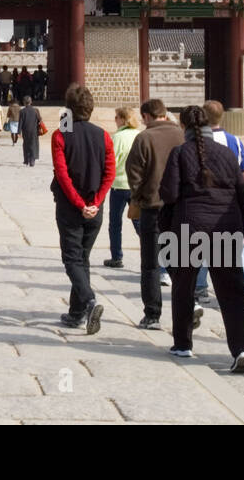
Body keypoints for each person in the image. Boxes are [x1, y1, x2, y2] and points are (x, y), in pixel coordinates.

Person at [158, 105, 244, 371]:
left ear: (184, 127)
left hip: (190, 226)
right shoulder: (226, 153)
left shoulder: (180, 153)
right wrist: (242, 228)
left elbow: (169, 193)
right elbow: (242, 195)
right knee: (231, 291)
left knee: (183, 286)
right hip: (225, 226)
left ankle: (183, 344)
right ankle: (241, 348)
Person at [51, 84, 115, 334]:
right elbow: (110, 172)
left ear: (68, 108)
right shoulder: (104, 135)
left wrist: (79, 204)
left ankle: (89, 302)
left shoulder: (60, 135)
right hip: (95, 209)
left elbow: (63, 175)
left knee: (71, 259)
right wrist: (95, 202)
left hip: (71, 208)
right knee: (82, 259)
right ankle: (76, 313)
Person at [125, 99, 183, 330]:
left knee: (150, 264)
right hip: (179, 208)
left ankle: (152, 314)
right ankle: (188, 304)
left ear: (147, 116)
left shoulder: (144, 138)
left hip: (152, 207)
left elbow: (134, 173)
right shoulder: (181, 135)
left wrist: (139, 196)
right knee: (178, 260)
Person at [202, 100, 244, 307]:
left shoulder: (197, 142)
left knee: (202, 244)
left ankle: (200, 287)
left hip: (206, 202)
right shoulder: (234, 141)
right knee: (236, 243)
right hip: (231, 202)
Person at [102, 107, 140, 269]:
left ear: (123, 120)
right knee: (140, 223)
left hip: (119, 184)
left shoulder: (117, 137)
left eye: (116, 117)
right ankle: (150, 256)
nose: (114, 120)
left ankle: (116, 256)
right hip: (136, 185)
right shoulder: (139, 135)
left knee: (115, 223)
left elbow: (111, 161)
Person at [19, 96, 41, 167]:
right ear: (31, 102)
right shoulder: (35, 110)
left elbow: (20, 122)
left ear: (24, 102)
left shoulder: (22, 111)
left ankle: (26, 160)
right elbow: (39, 120)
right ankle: (32, 160)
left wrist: (18, 131)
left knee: (26, 145)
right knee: (33, 145)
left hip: (25, 131)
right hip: (34, 131)